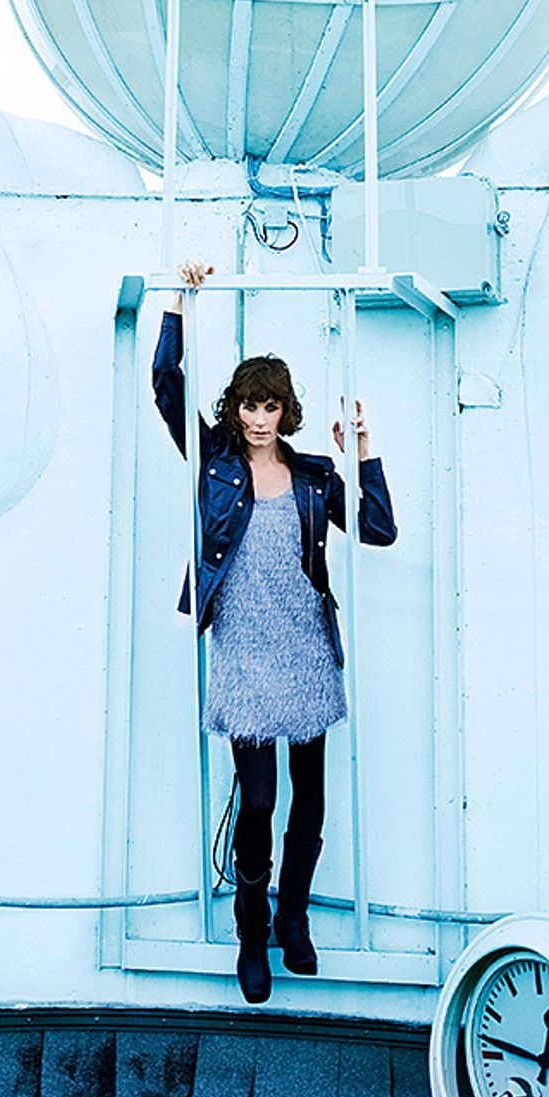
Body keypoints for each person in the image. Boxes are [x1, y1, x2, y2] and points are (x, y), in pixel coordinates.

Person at [151, 259, 398, 1004]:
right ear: (234, 411)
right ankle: (251, 931)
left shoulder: (316, 474)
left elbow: (381, 529)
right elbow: (167, 384)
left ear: (286, 411)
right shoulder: (213, 465)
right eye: (248, 406)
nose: (259, 418)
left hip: (305, 647)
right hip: (244, 651)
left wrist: (363, 446)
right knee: (256, 801)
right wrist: (179, 302)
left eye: (271, 406)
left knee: (310, 798)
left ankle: (295, 918)